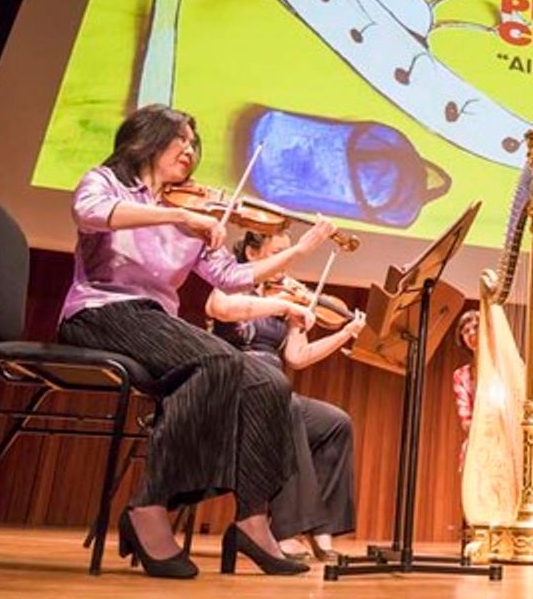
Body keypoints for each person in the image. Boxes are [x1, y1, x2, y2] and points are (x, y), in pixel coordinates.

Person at [58, 103, 333, 578]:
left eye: (192, 144)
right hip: (99, 312)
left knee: (270, 385)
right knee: (218, 362)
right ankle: (150, 505)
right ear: (146, 138)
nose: (189, 150)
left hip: (154, 322)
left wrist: (301, 252)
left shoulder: (194, 208)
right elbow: (91, 213)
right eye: (179, 139)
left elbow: (231, 276)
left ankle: (251, 517)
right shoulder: (107, 183)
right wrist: (169, 218)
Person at [207, 230, 366, 563]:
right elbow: (219, 308)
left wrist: (344, 334)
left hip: (273, 391)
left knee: (336, 423)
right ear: (252, 252)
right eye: (279, 251)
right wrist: (280, 303)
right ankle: (285, 529)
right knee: (285, 402)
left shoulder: (286, 299)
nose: (286, 262)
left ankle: (321, 530)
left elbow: (298, 356)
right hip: (232, 389)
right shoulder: (232, 280)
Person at [451, 309, 480, 470]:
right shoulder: (461, 375)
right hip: (478, 441)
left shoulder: (504, 370)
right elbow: (466, 420)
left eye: (476, 327)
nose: (471, 333)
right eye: (466, 331)